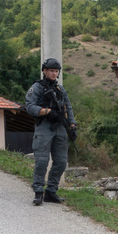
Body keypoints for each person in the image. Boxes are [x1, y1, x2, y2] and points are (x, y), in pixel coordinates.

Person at [24, 57, 76, 206]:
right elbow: (29, 107)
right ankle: (38, 192)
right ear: (45, 71)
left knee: (61, 162)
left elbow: (68, 107)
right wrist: (46, 111)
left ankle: (51, 191)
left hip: (60, 127)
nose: (54, 73)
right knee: (42, 161)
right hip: (44, 127)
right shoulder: (38, 87)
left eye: (56, 71)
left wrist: (72, 125)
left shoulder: (60, 89)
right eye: (51, 71)